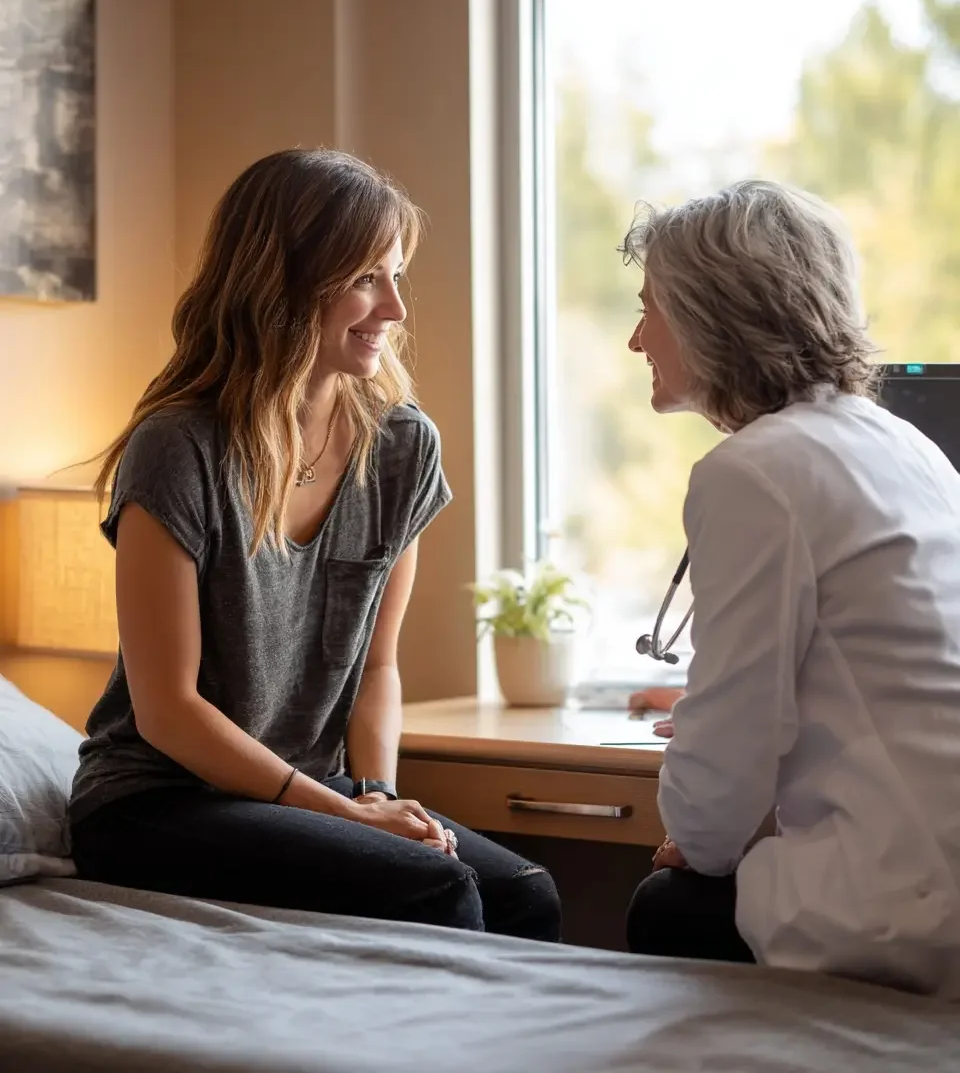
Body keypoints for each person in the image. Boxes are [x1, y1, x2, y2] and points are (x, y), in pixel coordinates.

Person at [69, 148, 561, 943]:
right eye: (368, 278)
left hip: (318, 788)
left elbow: (377, 668)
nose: (395, 310)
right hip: (157, 799)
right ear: (282, 282)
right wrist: (347, 816)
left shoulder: (403, 446)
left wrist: (376, 797)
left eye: (397, 276)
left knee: (524, 894)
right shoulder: (178, 448)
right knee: (435, 890)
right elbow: (169, 712)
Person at [622, 180, 960, 997]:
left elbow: (714, 795)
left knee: (666, 903)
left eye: (650, 309)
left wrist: (701, 837)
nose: (637, 341)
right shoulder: (903, 445)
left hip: (898, 904)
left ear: (711, 314)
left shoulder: (754, 471)